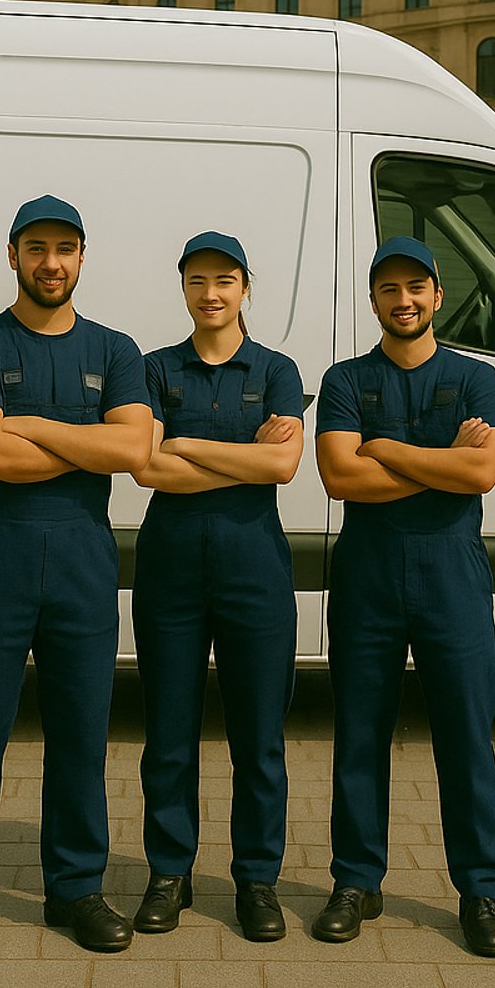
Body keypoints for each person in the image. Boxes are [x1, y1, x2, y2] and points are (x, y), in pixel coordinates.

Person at [0, 195, 152, 972]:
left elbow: (134, 451)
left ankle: (76, 889)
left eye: (67, 248)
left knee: (82, 740)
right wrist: (87, 441)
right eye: (38, 247)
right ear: (11, 255)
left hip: (83, 564)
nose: (52, 262)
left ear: (84, 258)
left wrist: (33, 426)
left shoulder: (115, 349)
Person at [311, 236, 495, 957]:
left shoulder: (478, 379)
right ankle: (355, 879)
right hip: (368, 573)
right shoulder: (344, 380)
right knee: (360, 732)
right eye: (389, 289)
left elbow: (483, 474)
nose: (404, 300)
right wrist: (444, 462)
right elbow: (340, 479)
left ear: (436, 295)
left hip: (451, 574)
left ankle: (482, 892)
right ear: (374, 301)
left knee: (466, 736)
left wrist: (386, 448)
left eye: (416, 287)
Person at [127, 232, 305, 942]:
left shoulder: (278, 370)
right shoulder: (152, 369)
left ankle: (256, 881)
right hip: (169, 569)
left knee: (258, 738)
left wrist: (186, 446)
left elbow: (284, 467)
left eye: (225, 280)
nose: (211, 293)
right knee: (168, 734)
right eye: (198, 280)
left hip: (254, 571)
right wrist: (245, 455)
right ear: (183, 288)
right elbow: (144, 466)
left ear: (245, 288)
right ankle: (169, 874)